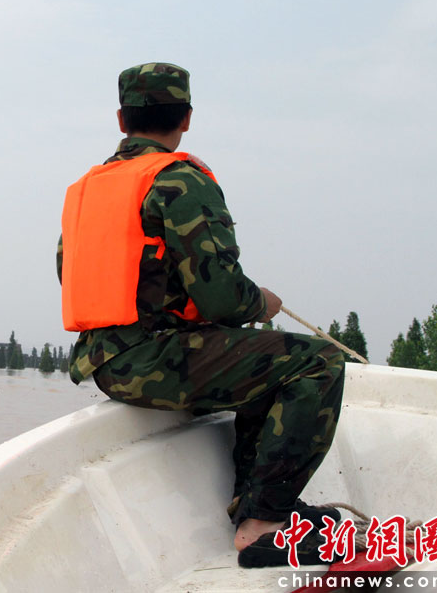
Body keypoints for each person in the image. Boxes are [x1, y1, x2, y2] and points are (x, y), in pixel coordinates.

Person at [57, 62, 345, 568]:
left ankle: (254, 505)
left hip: (105, 364)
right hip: (153, 359)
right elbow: (223, 300)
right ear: (186, 118)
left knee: (264, 365)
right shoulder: (178, 178)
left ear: (122, 119)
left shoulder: (87, 189)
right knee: (314, 362)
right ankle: (265, 525)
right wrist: (263, 302)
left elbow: (72, 272)